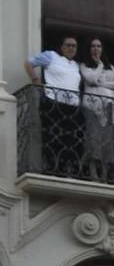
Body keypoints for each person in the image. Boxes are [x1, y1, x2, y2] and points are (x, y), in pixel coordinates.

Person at [23, 35, 83, 177]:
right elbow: (28, 63)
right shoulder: (51, 56)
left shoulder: (76, 65)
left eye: (74, 46)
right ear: (62, 47)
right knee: (53, 138)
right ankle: (51, 168)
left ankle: (66, 171)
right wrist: (36, 80)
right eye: (68, 45)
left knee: (70, 141)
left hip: (72, 107)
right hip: (53, 104)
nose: (71, 48)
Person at [77, 38, 114, 182]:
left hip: (109, 107)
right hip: (92, 106)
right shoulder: (84, 65)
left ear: (102, 49)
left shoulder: (111, 67)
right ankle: (93, 172)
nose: (96, 49)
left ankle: (104, 174)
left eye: (99, 46)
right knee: (93, 139)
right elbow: (91, 79)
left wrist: (102, 82)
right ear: (89, 49)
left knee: (107, 141)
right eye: (93, 46)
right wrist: (99, 64)